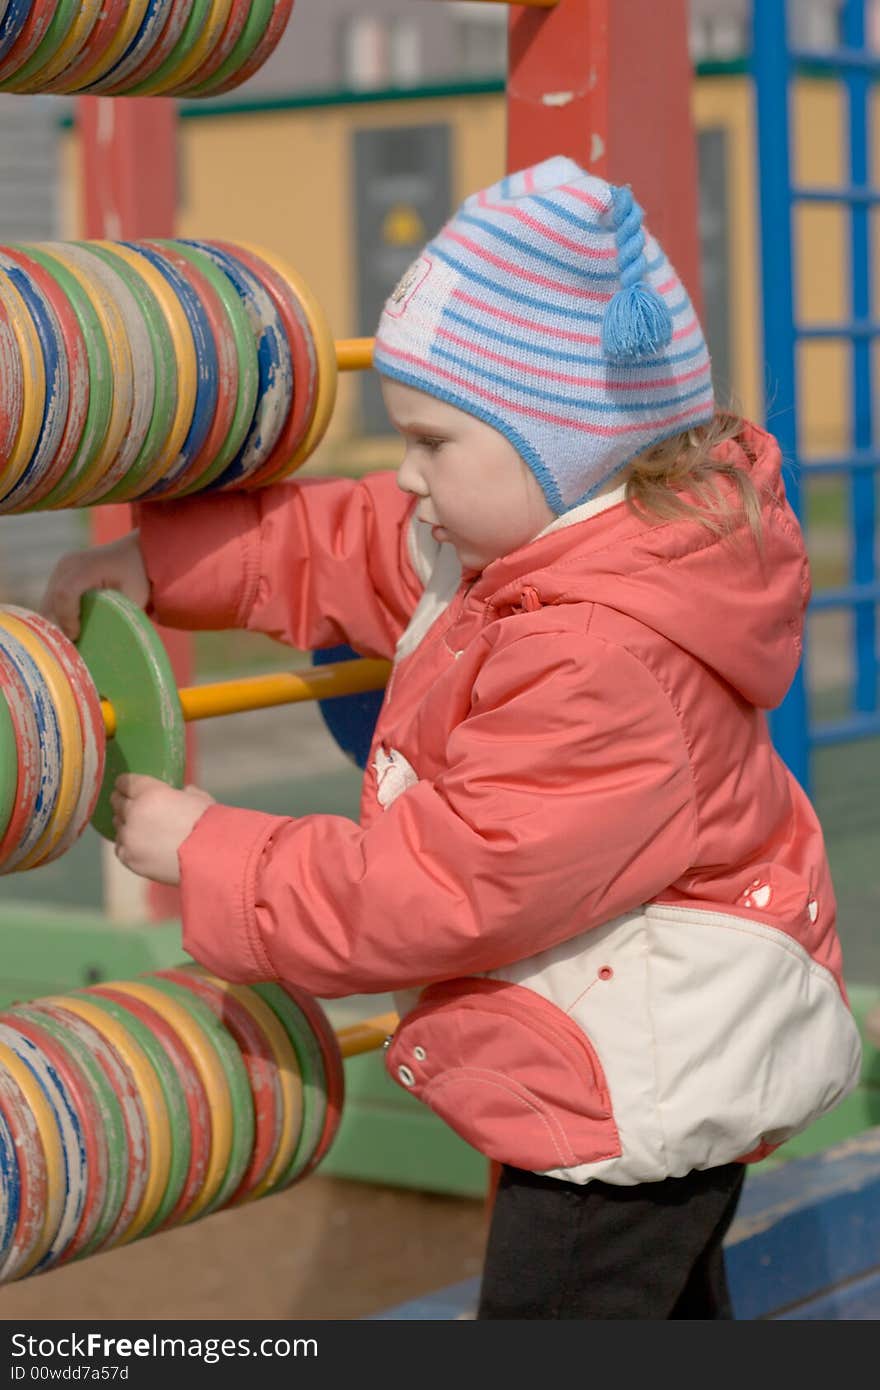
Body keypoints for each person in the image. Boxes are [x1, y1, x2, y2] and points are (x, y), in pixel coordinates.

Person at [42, 156, 862, 1320]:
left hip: (621, 1095)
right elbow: (350, 542)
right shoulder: (537, 535)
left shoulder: (598, 658)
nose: (407, 476)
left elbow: (443, 884)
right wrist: (162, 565)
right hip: (629, 1054)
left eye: (430, 443)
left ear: (566, 448)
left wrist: (212, 848)